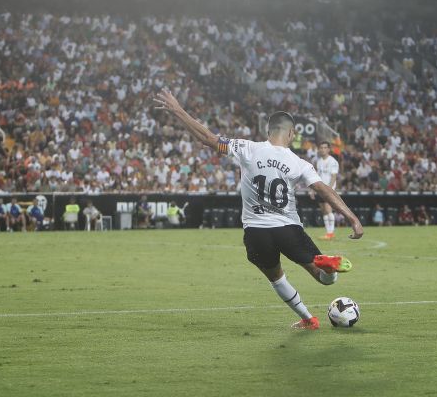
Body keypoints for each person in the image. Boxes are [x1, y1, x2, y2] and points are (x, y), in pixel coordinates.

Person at [154, 90, 363, 330]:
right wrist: (352, 218)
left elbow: (209, 139)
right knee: (323, 279)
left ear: (268, 131)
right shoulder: (299, 163)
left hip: (256, 231)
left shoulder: (247, 148)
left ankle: (308, 319)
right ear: (291, 133)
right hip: (289, 229)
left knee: (276, 278)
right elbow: (324, 189)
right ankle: (329, 269)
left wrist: (178, 110)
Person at [313, 141, 340, 240]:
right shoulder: (319, 161)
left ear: (328, 149)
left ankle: (331, 232)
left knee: (328, 210)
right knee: (323, 211)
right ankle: (328, 232)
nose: (323, 149)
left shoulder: (333, 161)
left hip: (328, 189)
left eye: (325, 147)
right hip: (320, 189)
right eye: (321, 147)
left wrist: (329, 189)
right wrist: (313, 190)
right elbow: (317, 176)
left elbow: (333, 177)